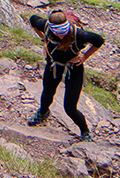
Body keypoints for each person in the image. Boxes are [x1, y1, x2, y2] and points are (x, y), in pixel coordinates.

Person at [27, 9, 104, 141]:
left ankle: (85, 131)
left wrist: (84, 56)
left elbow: (99, 40)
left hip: (74, 68)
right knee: (47, 93)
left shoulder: (79, 35)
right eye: (58, 33)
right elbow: (33, 19)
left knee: (70, 107)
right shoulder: (46, 26)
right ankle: (43, 112)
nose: (61, 36)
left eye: (63, 32)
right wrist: (45, 41)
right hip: (53, 64)